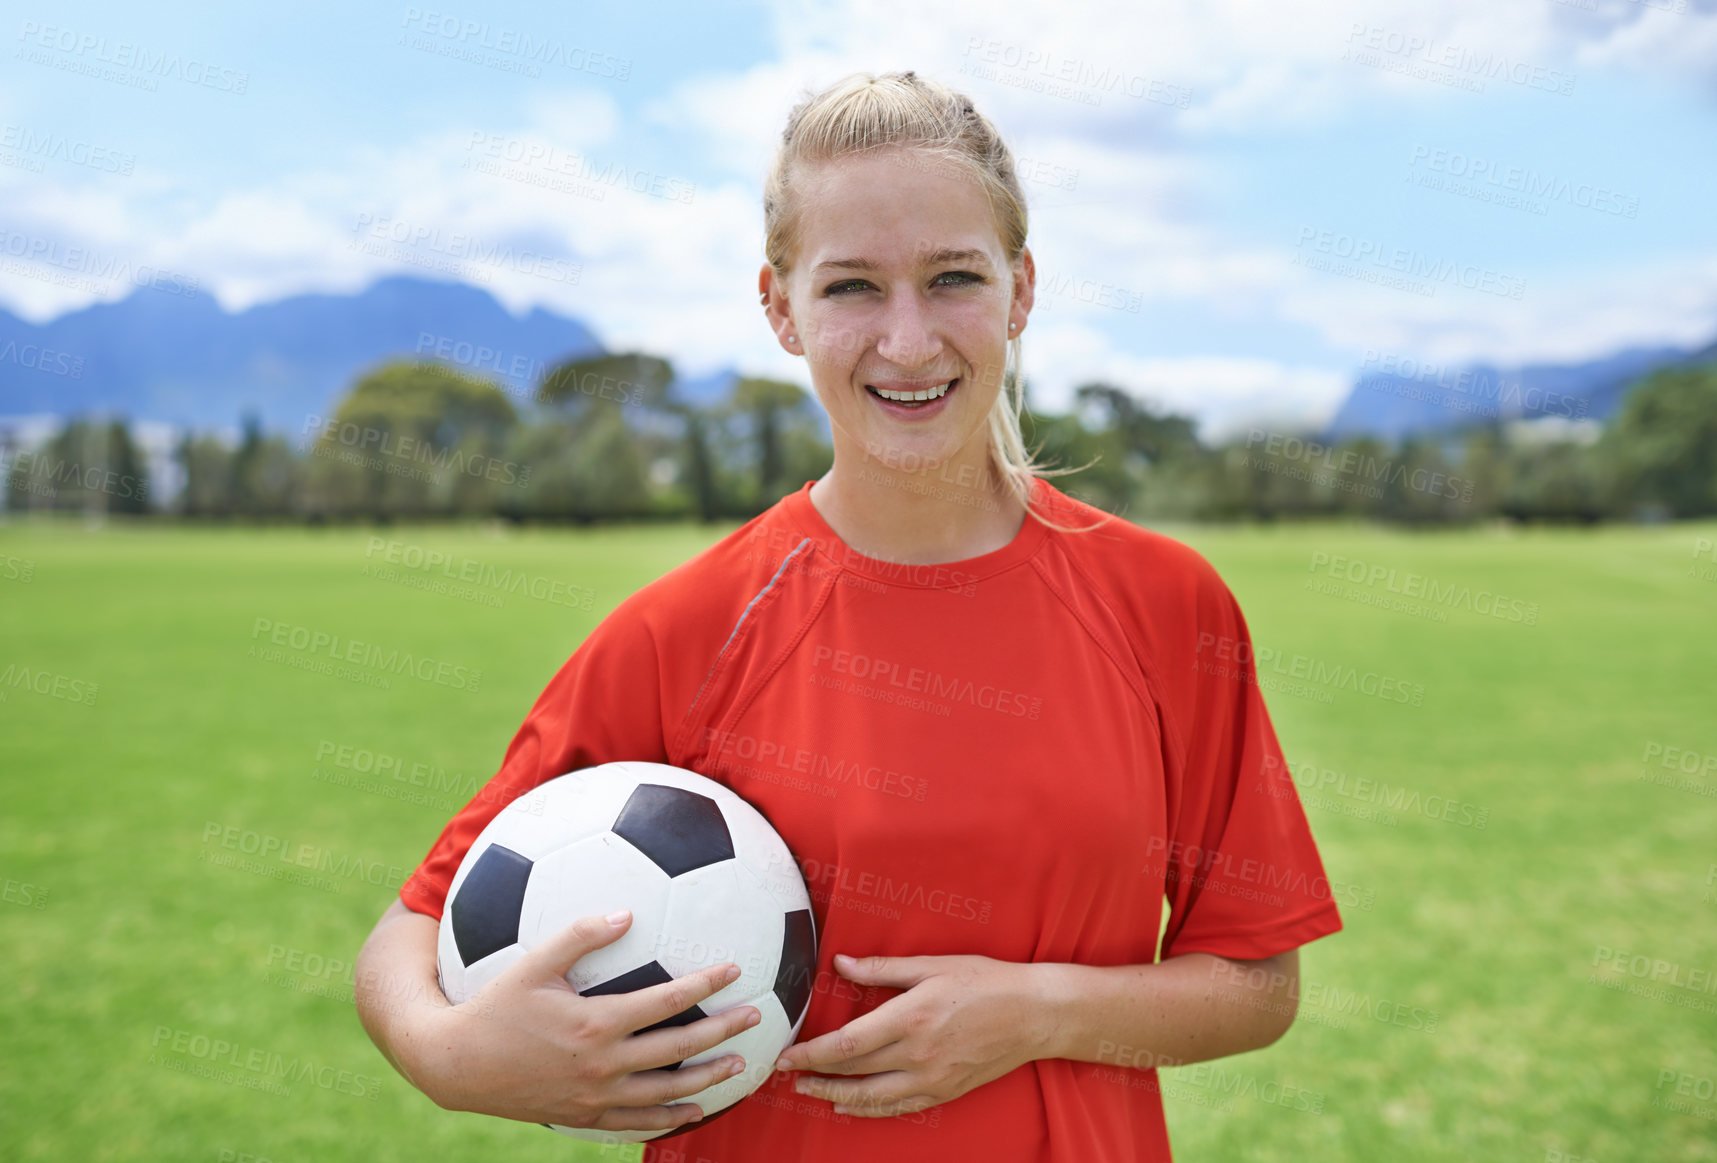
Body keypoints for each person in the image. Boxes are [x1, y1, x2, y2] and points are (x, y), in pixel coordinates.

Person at [354, 69, 1343, 1162]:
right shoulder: (685, 629)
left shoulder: (1162, 603)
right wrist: (448, 1056)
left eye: (952, 277)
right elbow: (409, 930)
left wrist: (1033, 1012)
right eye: (852, 288)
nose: (909, 340)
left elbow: (1255, 979)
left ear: (1019, 289)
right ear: (780, 307)